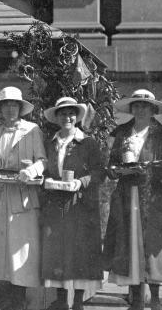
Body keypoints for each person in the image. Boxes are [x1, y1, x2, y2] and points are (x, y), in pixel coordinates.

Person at [103, 89, 162, 310]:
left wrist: (150, 169)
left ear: (153, 109)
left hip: (152, 197)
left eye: (145, 106)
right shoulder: (122, 133)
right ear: (131, 108)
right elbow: (112, 164)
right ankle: (135, 299)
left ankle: (154, 299)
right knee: (129, 244)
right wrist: (116, 171)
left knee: (153, 245)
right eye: (136, 105)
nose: (140, 109)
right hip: (126, 195)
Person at [0, 86, 47, 310]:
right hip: (2, 194)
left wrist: (29, 172)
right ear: (0, 109)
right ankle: (9, 298)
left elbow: (42, 160)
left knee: (22, 248)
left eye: (14, 105)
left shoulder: (32, 130)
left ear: (20, 108)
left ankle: (22, 300)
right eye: (6, 105)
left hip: (24, 195)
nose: (10, 109)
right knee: (2, 247)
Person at [40, 97, 104, 310]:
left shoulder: (87, 142)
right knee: (57, 247)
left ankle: (77, 301)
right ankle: (60, 299)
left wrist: (81, 181)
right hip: (56, 203)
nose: (67, 117)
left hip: (80, 205)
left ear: (77, 117)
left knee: (79, 250)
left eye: (71, 114)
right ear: (56, 117)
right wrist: (45, 181)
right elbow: (45, 169)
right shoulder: (51, 143)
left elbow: (99, 173)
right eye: (63, 114)